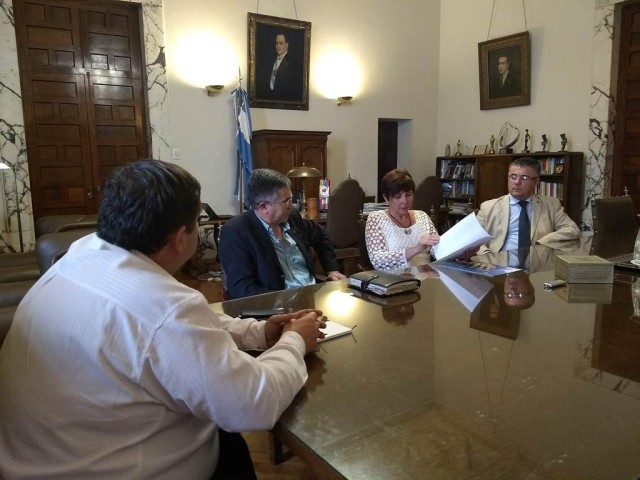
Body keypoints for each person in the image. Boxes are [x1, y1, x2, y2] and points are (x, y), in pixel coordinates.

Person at [0, 159, 326, 479]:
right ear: (180, 237)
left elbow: (174, 328)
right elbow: (256, 403)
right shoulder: (164, 306)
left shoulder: (82, 252)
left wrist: (257, 332)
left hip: (46, 454)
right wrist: (295, 339)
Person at [218, 168, 345, 300]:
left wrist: (332, 269)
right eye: (286, 201)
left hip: (312, 296)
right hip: (277, 306)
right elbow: (242, 289)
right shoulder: (236, 232)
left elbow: (321, 235)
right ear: (264, 207)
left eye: (291, 199)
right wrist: (284, 301)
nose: (292, 206)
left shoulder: (292, 217)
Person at [476, 157, 581, 254]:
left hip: (538, 260)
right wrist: (487, 255)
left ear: (536, 182)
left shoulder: (551, 205)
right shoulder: (488, 207)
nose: (517, 182)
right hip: (498, 261)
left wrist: (542, 242)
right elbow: (473, 239)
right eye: (513, 177)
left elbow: (572, 230)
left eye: (524, 178)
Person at [365, 169, 440, 271]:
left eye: (408, 195)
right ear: (386, 198)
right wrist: (416, 249)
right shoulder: (376, 219)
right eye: (397, 196)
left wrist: (456, 251)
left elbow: (437, 249)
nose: (404, 201)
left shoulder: (422, 216)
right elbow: (378, 261)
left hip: (426, 276)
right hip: (393, 279)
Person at [257, 32, 302, 101]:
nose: (278, 46)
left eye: (281, 43)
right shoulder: (270, 61)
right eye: (276, 43)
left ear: (287, 45)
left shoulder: (293, 63)